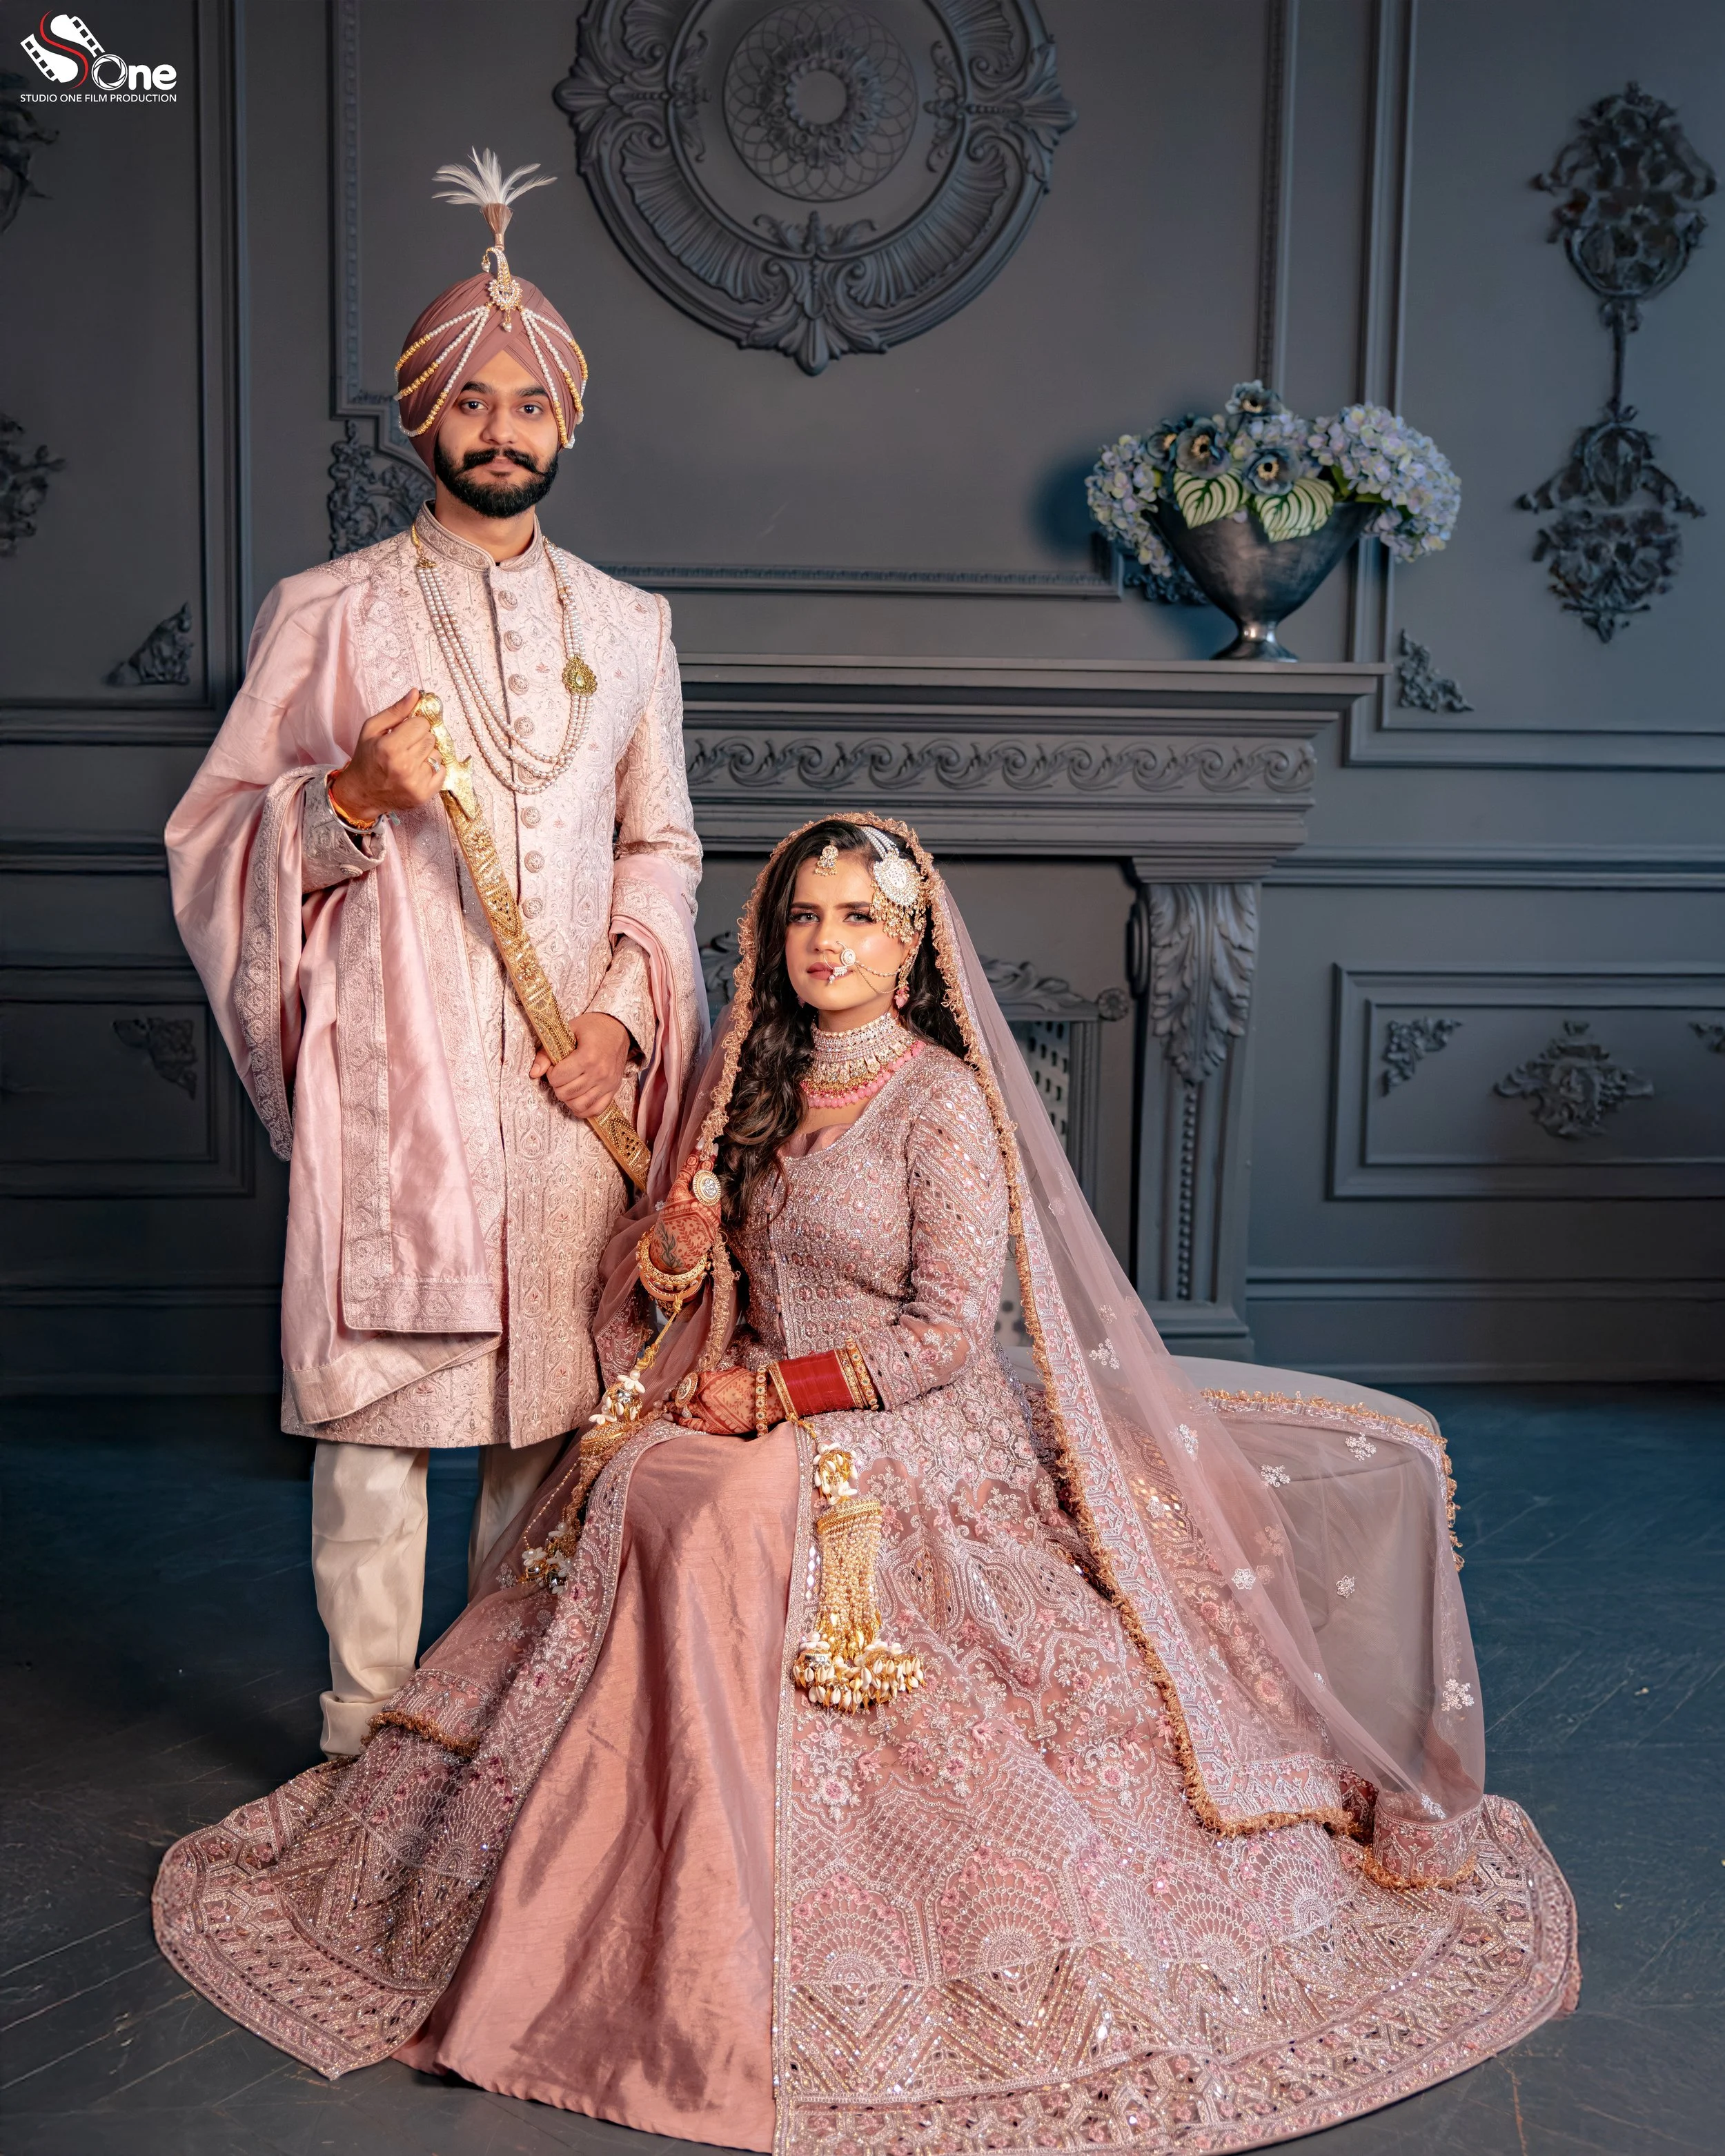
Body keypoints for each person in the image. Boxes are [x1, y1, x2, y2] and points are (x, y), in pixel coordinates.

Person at [155, 815, 1577, 2152]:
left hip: (898, 1425)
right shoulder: (753, 1088)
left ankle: (714, 1922)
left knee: (703, 1502)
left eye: (857, 917)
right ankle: (601, 1887)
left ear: (910, 947)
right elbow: (681, 1292)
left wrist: (779, 1392)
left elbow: (951, 1331)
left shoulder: (941, 1104)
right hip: (746, 1399)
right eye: (801, 916)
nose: (824, 939)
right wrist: (678, 1237)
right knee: (646, 1486)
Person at [163, 150, 703, 1759]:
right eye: (469, 403)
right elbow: (215, 836)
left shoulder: (631, 626)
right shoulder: (326, 610)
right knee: (382, 1422)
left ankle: (496, 1733)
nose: (501, 429)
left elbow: (662, 845)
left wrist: (618, 1017)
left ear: (568, 423)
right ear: (418, 418)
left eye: (529, 403)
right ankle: (361, 1739)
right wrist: (343, 798)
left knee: (548, 1416)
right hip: (394, 1073)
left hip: (561, 1091)